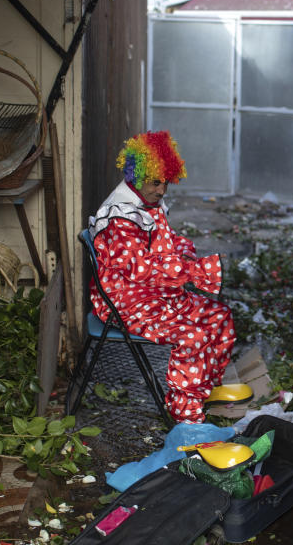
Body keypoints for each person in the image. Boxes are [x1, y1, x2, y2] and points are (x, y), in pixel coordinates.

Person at [87, 131, 235, 424]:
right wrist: (193, 272)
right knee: (192, 337)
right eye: (156, 182)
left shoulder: (149, 203)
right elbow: (144, 270)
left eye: (166, 181)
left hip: (157, 294)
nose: (163, 189)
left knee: (219, 317)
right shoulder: (120, 217)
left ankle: (204, 392)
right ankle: (184, 414)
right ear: (135, 176)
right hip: (127, 302)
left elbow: (163, 243)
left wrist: (184, 250)